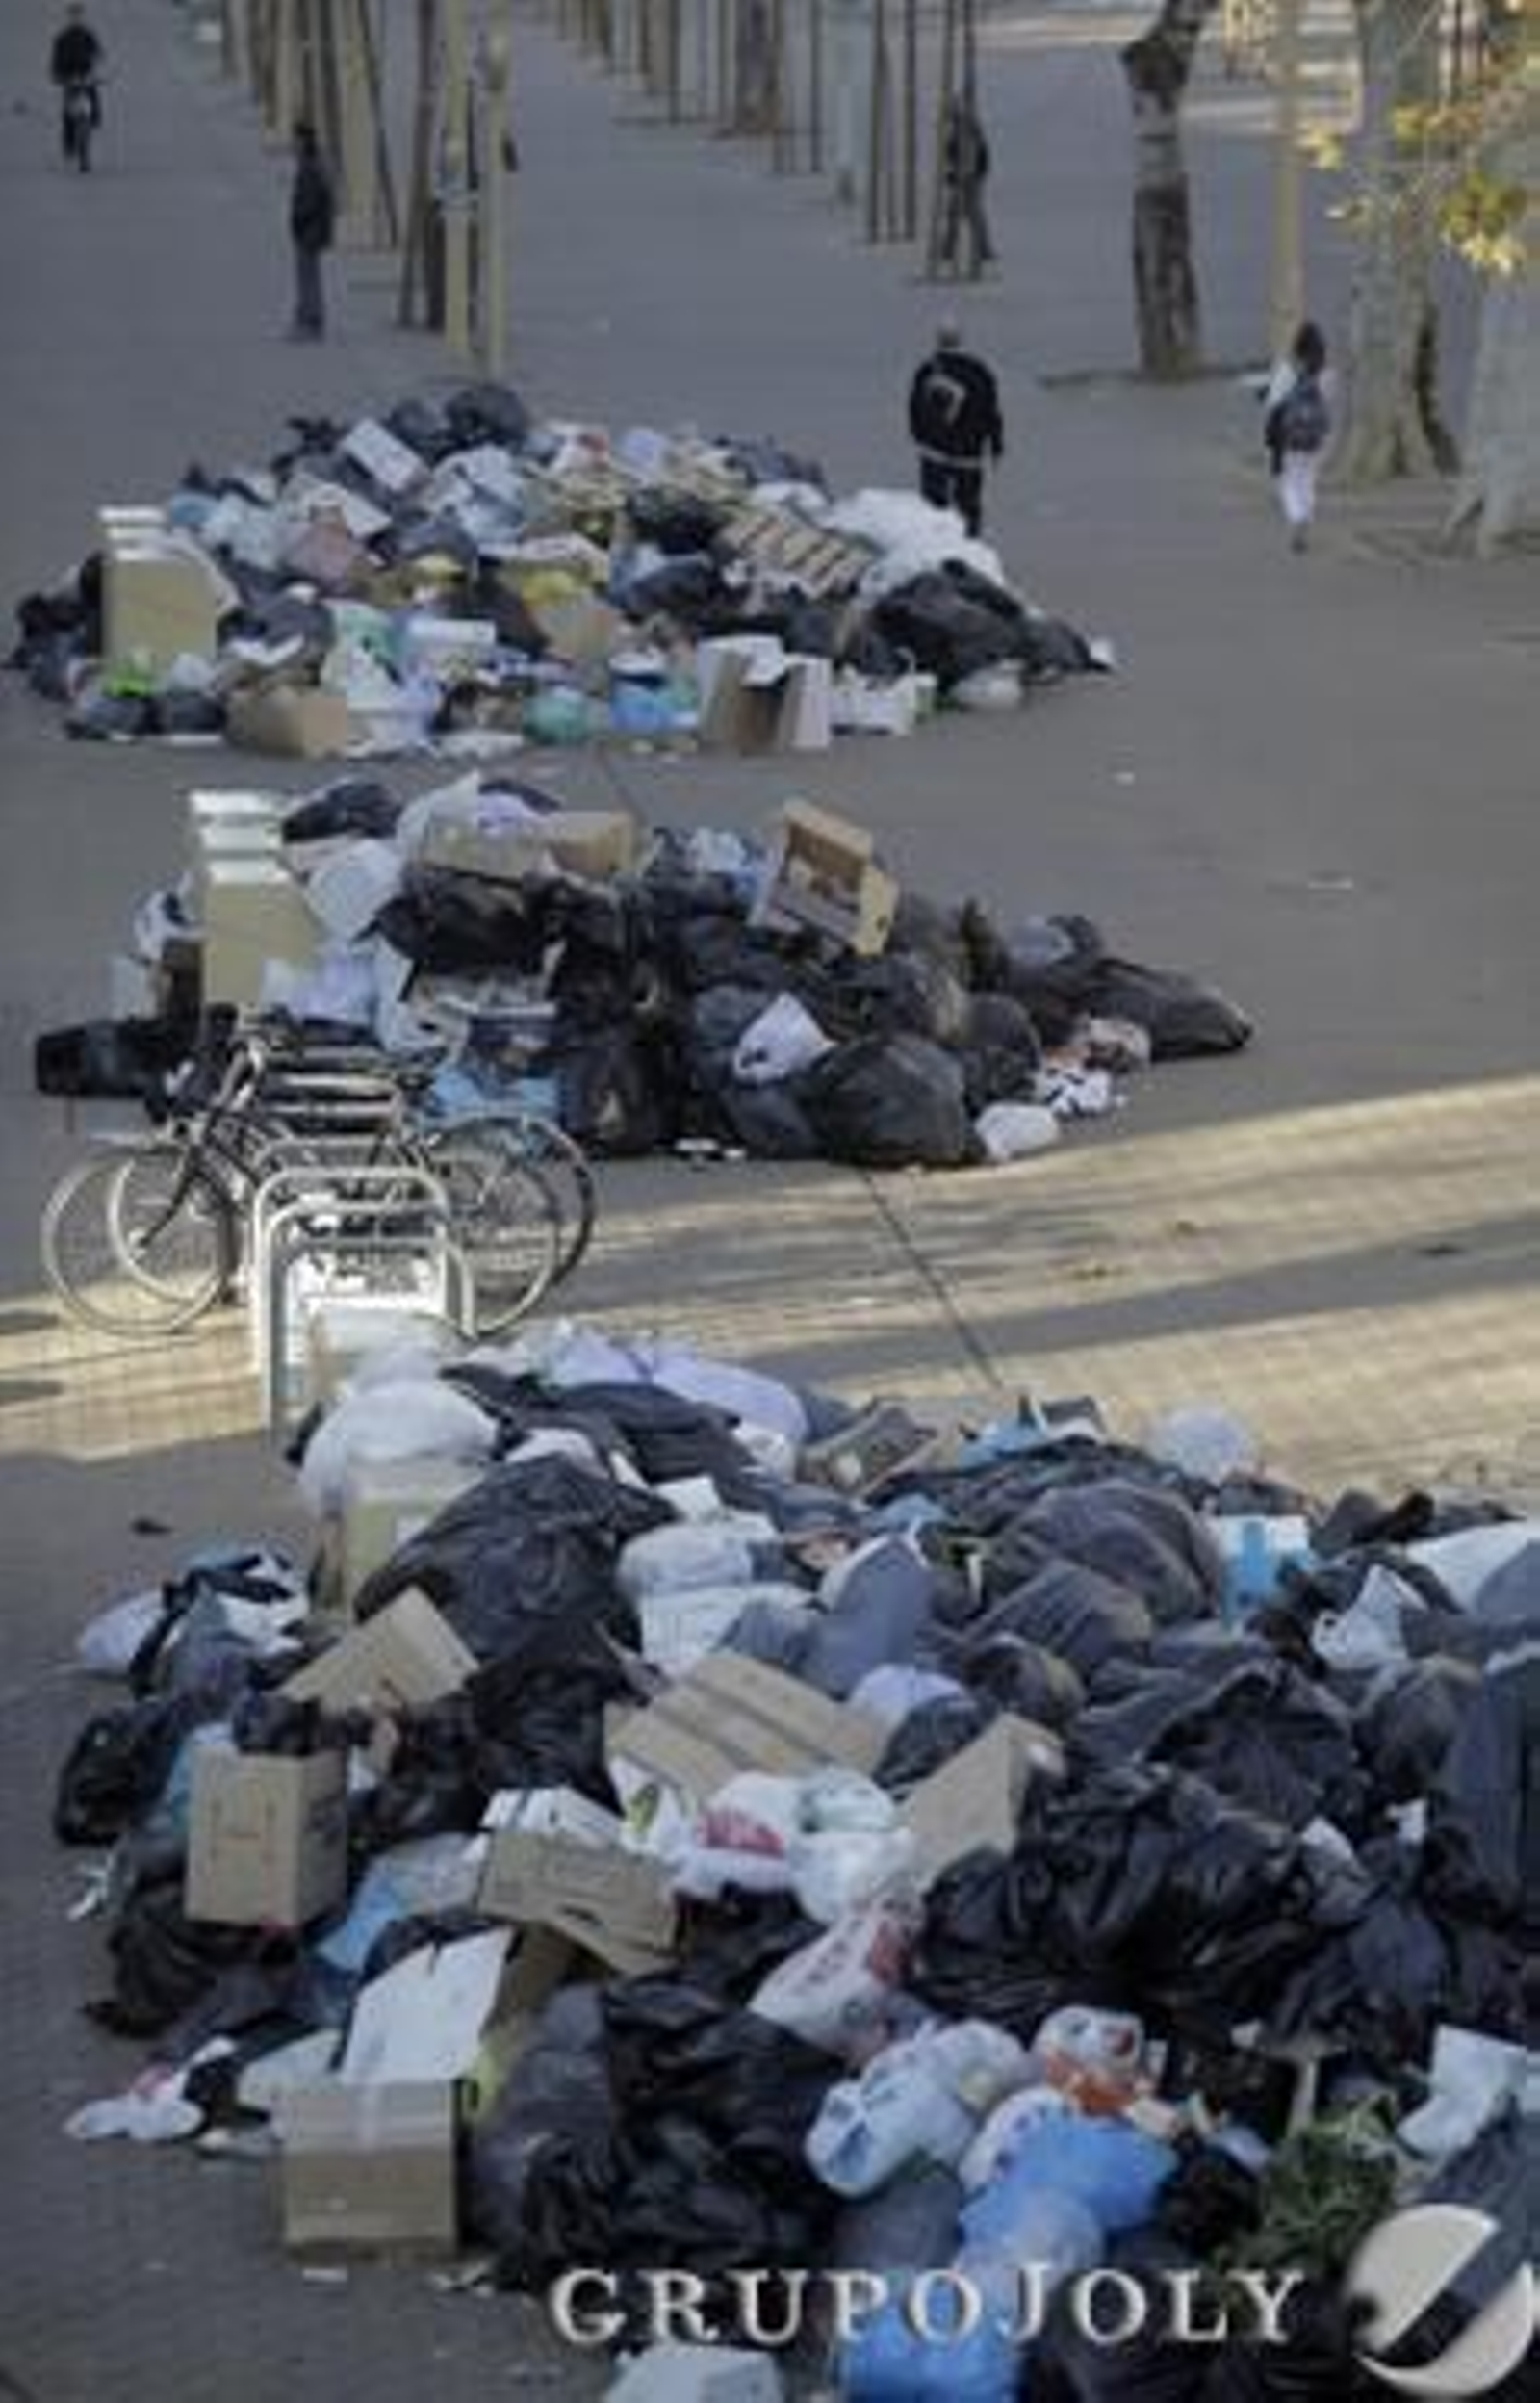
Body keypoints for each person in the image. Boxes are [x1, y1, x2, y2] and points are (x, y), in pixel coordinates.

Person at [908, 322, 1004, 540]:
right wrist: (996, 445)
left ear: (938, 339)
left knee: (934, 507)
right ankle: (970, 548)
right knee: (969, 506)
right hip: (970, 453)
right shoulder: (981, 371)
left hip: (935, 451)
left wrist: (921, 438)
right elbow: (993, 413)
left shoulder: (927, 369)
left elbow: (914, 410)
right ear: (962, 340)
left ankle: (938, 550)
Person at [1263, 321, 1333, 553]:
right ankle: (1305, 521)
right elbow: (1327, 403)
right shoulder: (1326, 373)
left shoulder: (1288, 369)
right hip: (1315, 437)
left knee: (1287, 480)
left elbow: (1273, 402)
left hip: (1289, 436)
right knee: (1307, 479)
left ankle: (1296, 520)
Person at [288, 124, 337, 341]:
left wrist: (299, 221)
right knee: (307, 275)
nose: (294, 145)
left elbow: (310, 200)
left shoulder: (310, 167)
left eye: (297, 141)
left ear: (305, 141)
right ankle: (307, 317)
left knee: (308, 276)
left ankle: (311, 321)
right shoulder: (312, 164)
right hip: (312, 228)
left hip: (310, 229)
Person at [939, 94, 994, 272]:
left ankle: (979, 249)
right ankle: (955, 249)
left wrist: (963, 174)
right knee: (962, 214)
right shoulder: (963, 129)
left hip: (968, 178)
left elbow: (976, 154)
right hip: (967, 177)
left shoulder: (968, 129)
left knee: (969, 214)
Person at [49, 5, 103, 162]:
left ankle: (94, 119)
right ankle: (68, 143)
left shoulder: (88, 35)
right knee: (67, 110)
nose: (76, 19)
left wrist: (97, 63)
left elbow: (98, 52)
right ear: (68, 18)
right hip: (68, 75)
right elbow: (55, 59)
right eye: (73, 16)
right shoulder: (62, 37)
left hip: (85, 73)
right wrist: (56, 75)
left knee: (93, 94)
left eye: (78, 16)